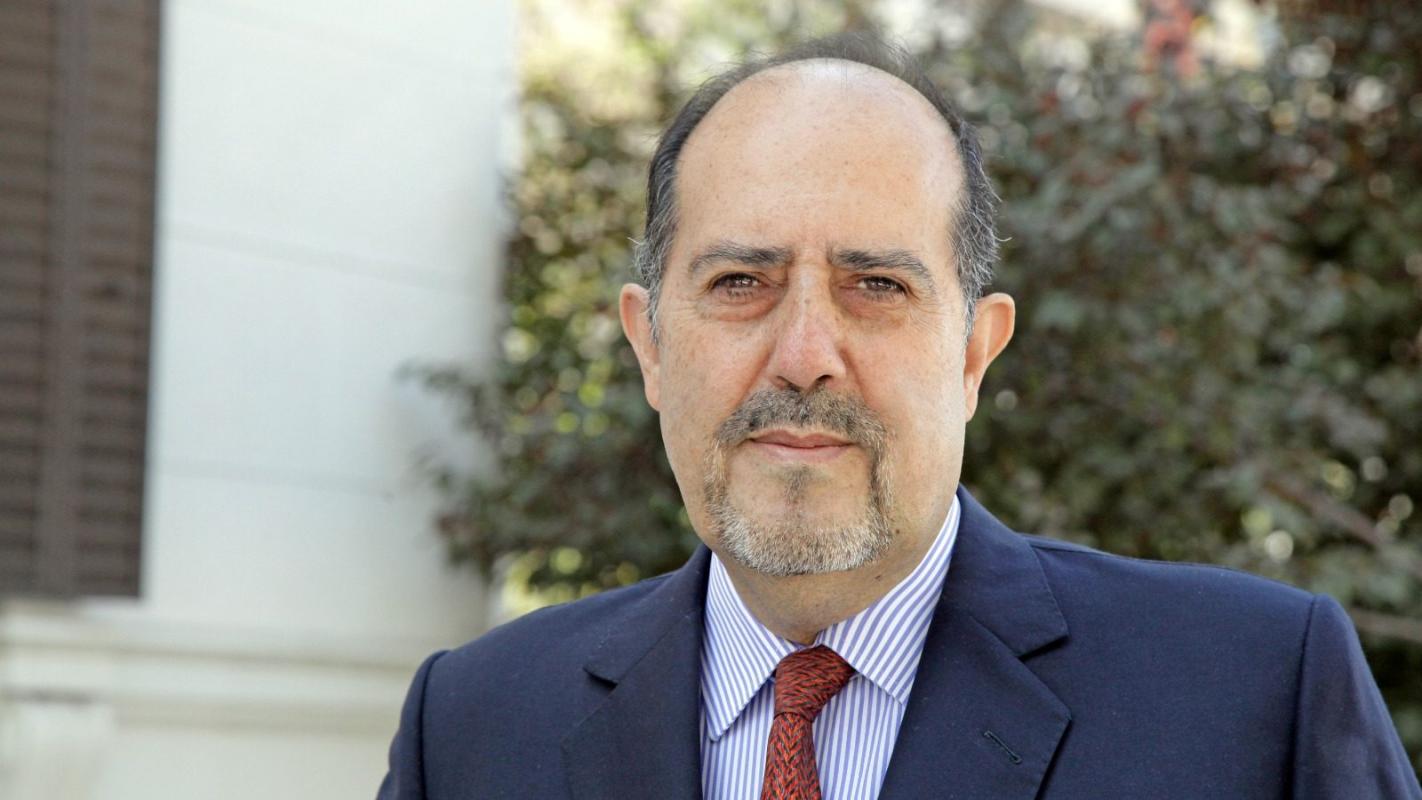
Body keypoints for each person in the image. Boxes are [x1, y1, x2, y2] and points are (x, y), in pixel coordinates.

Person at [378, 33, 1420, 799]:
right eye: (741, 281)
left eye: (876, 285)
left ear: (973, 352)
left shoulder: (1255, 697)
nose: (804, 356)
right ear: (650, 344)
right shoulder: (472, 727)